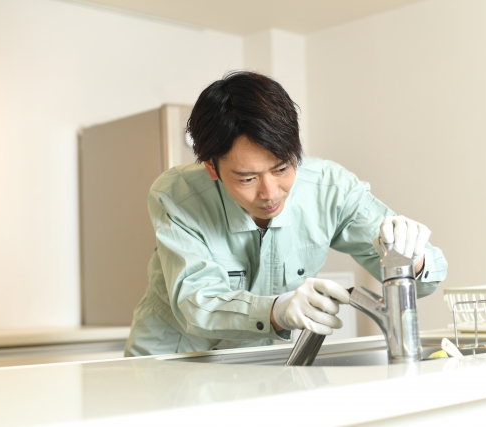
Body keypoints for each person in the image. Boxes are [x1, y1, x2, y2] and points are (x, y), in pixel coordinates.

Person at [124, 71, 447, 356]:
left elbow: (423, 280)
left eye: (281, 168)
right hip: (171, 361)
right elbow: (196, 303)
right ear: (211, 167)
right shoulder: (178, 195)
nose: (270, 192)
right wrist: (277, 310)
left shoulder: (331, 189)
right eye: (247, 178)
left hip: (258, 363)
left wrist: (412, 258)